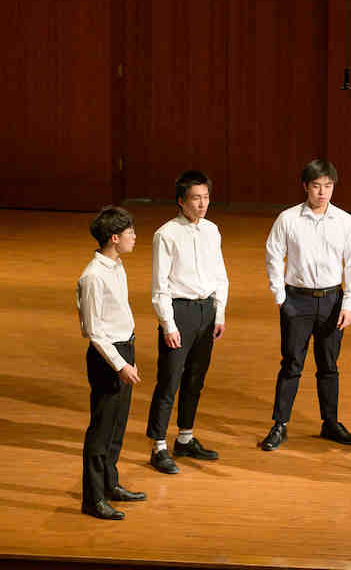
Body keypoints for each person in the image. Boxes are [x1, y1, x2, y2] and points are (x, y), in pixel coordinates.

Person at [260, 159, 351, 451]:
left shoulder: (345, 222)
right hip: (297, 300)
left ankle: (330, 423)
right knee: (291, 364)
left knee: (329, 365)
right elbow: (273, 255)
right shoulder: (288, 219)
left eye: (328, 186)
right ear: (305, 186)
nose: (322, 192)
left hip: (332, 301)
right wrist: (280, 297)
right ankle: (279, 424)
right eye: (316, 186)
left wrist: (349, 303)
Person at [146, 170, 229, 473]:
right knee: (169, 381)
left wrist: (219, 312)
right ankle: (158, 446)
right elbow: (160, 286)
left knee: (195, 379)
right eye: (196, 198)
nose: (202, 204)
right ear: (181, 201)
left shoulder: (212, 231)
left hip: (206, 311)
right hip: (179, 312)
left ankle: (185, 437)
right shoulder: (166, 235)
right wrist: (168, 324)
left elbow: (220, 275)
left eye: (206, 197)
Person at [77, 206, 144, 519]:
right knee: (101, 430)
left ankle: (109, 484)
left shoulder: (117, 266)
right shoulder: (93, 276)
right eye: (130, 232)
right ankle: (93, 499)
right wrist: (121, 365)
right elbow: (94, 331)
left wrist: (129, 356)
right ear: (114, 238)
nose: (134, 237)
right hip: (108, 358)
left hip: (124, 351)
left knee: (117, 426)